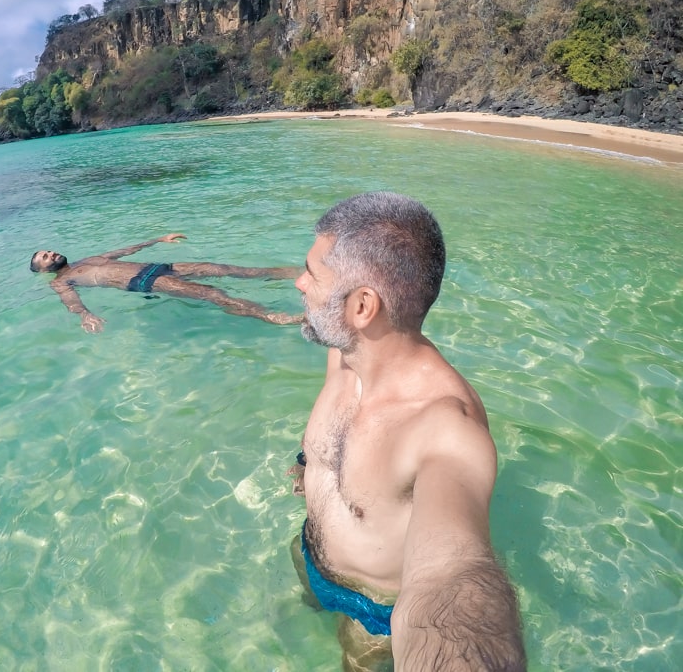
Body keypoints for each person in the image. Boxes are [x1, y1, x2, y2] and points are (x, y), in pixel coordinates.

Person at [289, 192, 526, 671]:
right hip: (311, 556)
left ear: (362, 306)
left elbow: (451, 574)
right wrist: (305, 466)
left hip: (375, 613)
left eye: (312, 273)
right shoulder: (347, 351)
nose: (298, 283)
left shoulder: (443, 427)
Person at [30, 234, 302, 332]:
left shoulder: (86, 259)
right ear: (43, 270)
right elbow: (71, 301)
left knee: (222, 268)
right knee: (213, 294)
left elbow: (124, 251)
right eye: (45, 257)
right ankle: (273, 316)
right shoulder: (61, 281)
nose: (51, 253)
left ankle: (294, 273)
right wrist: (85, 316)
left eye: (49, 251)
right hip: (144, 281)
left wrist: (158, 240)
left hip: (157, 267)